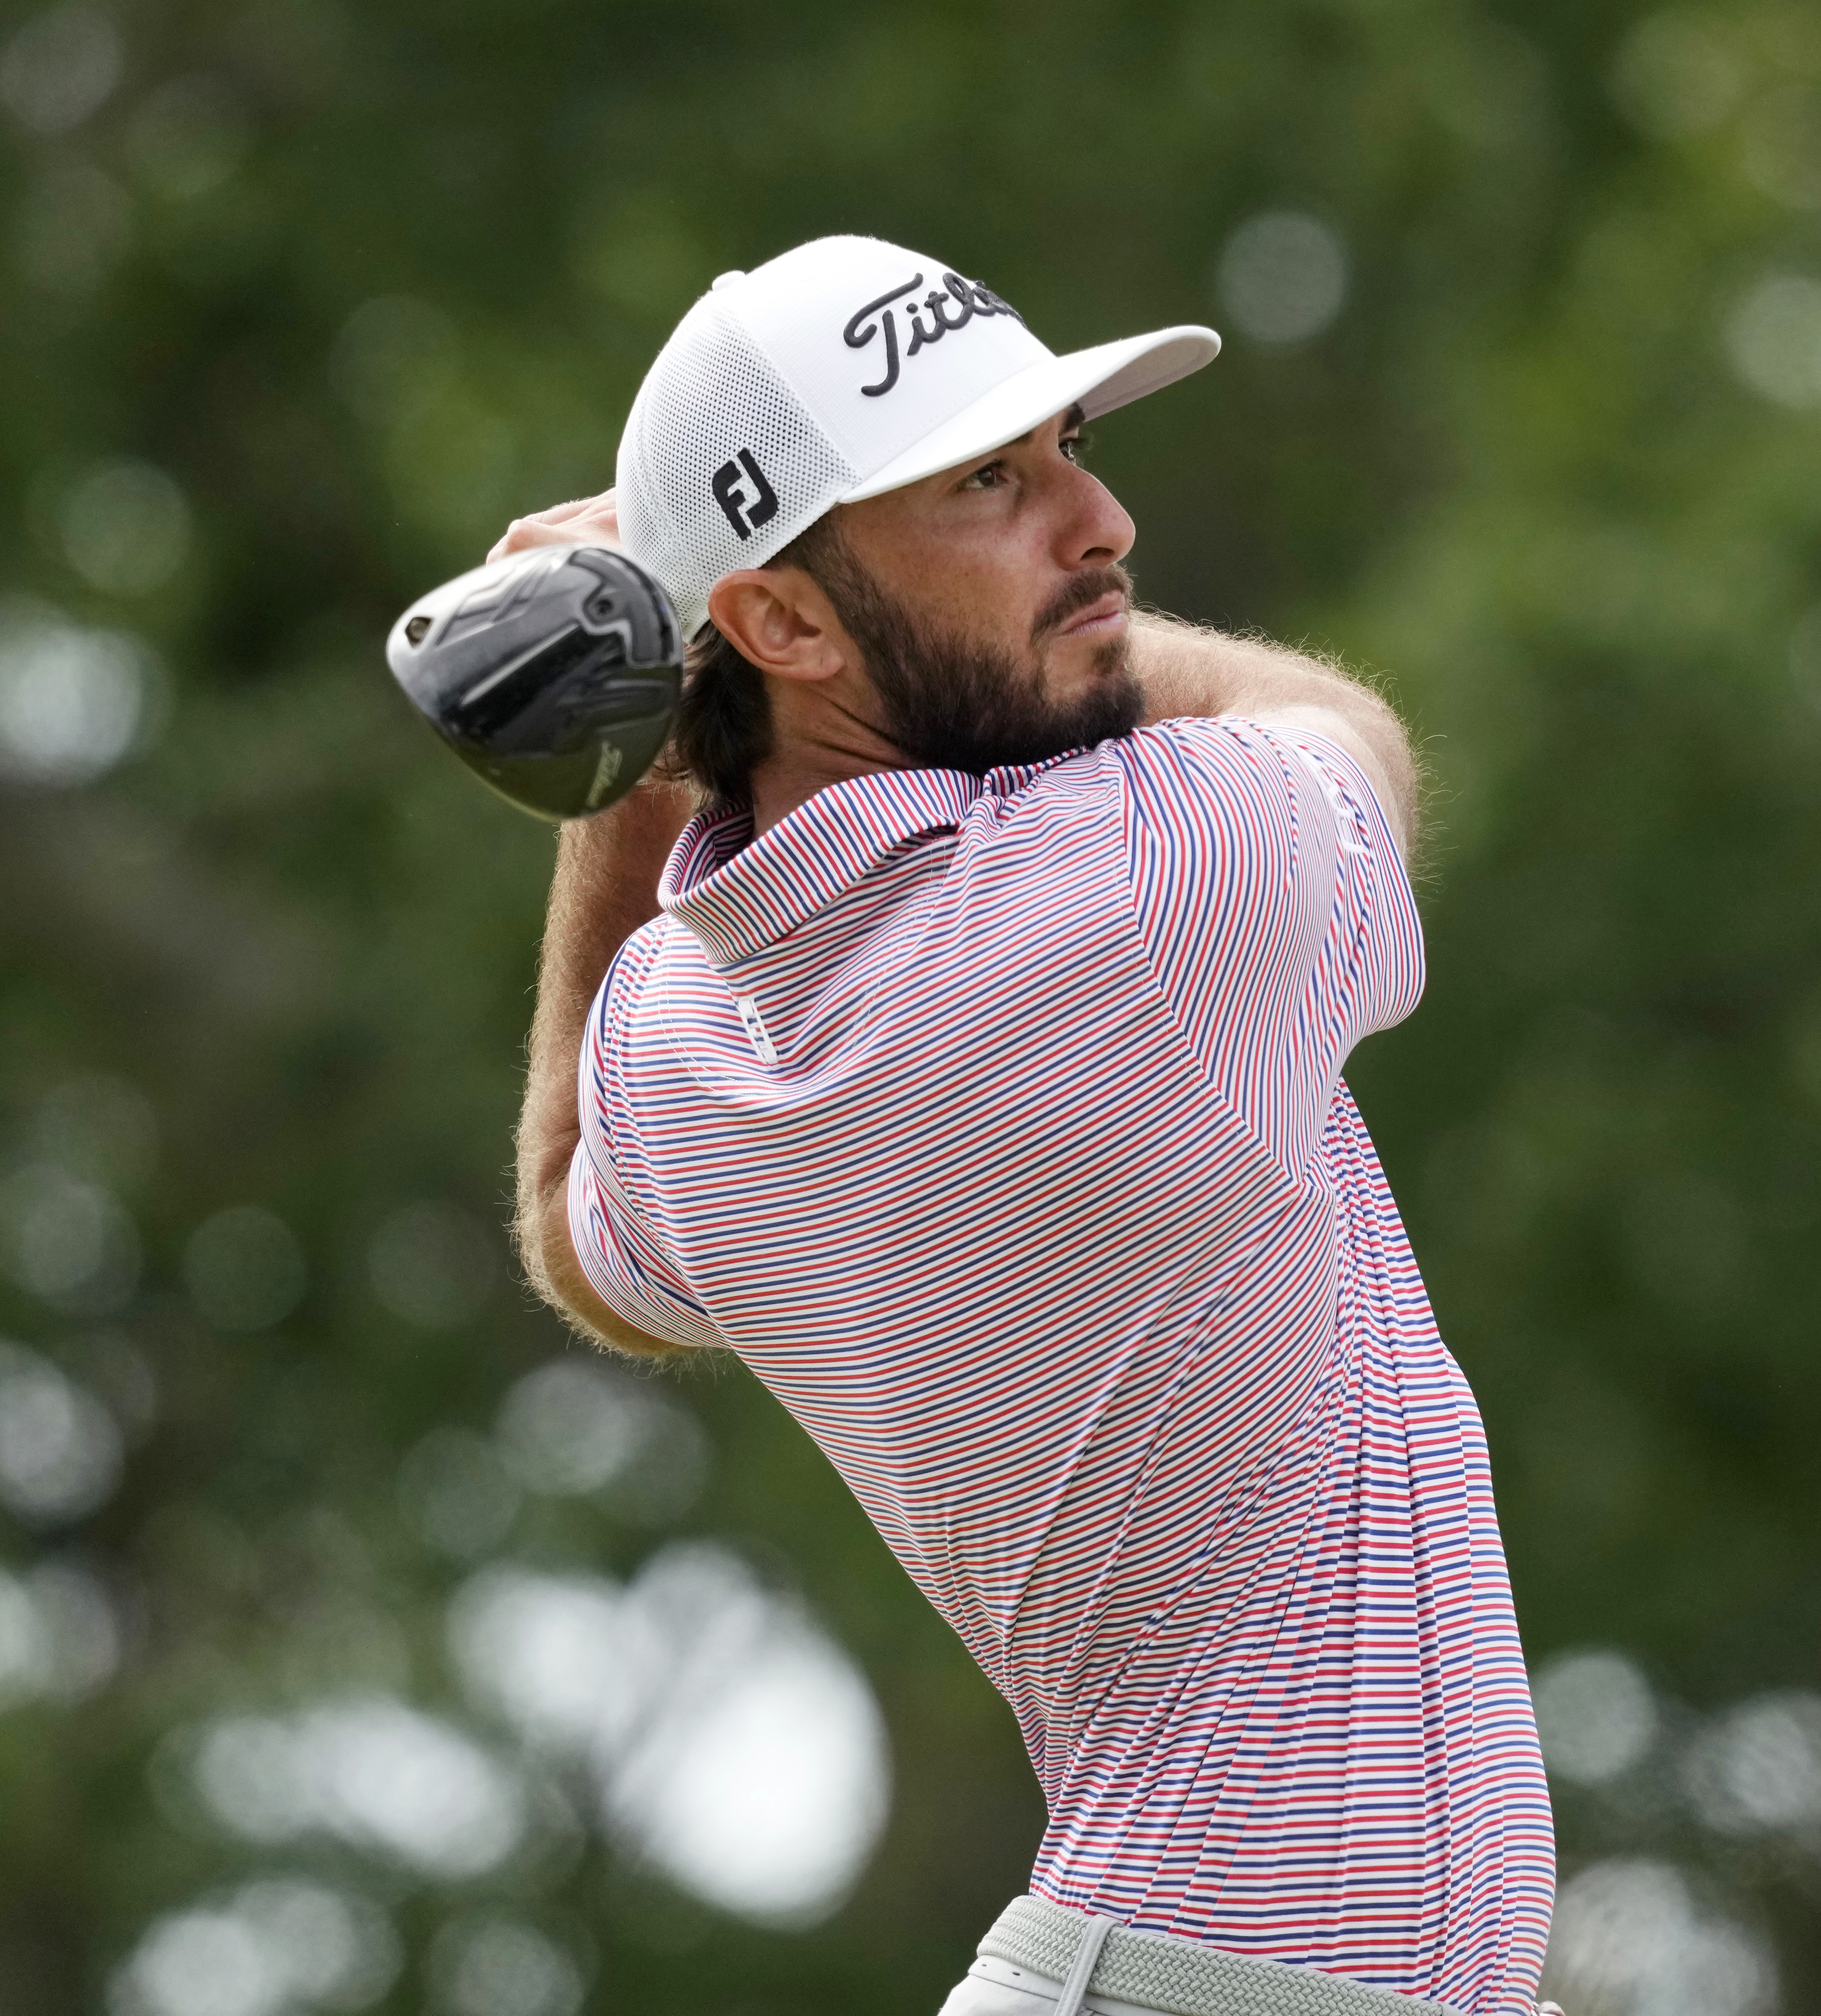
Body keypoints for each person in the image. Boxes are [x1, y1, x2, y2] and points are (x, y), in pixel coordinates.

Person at [496, 236, 1555, 2016]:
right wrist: (692, 643)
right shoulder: (1149, 888)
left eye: (1065, 442)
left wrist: (624, 745)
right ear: (784, 618)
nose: (1099, 522)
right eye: (992, 481)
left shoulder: (684, 1048)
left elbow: (569, 1226)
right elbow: (1334, 716)